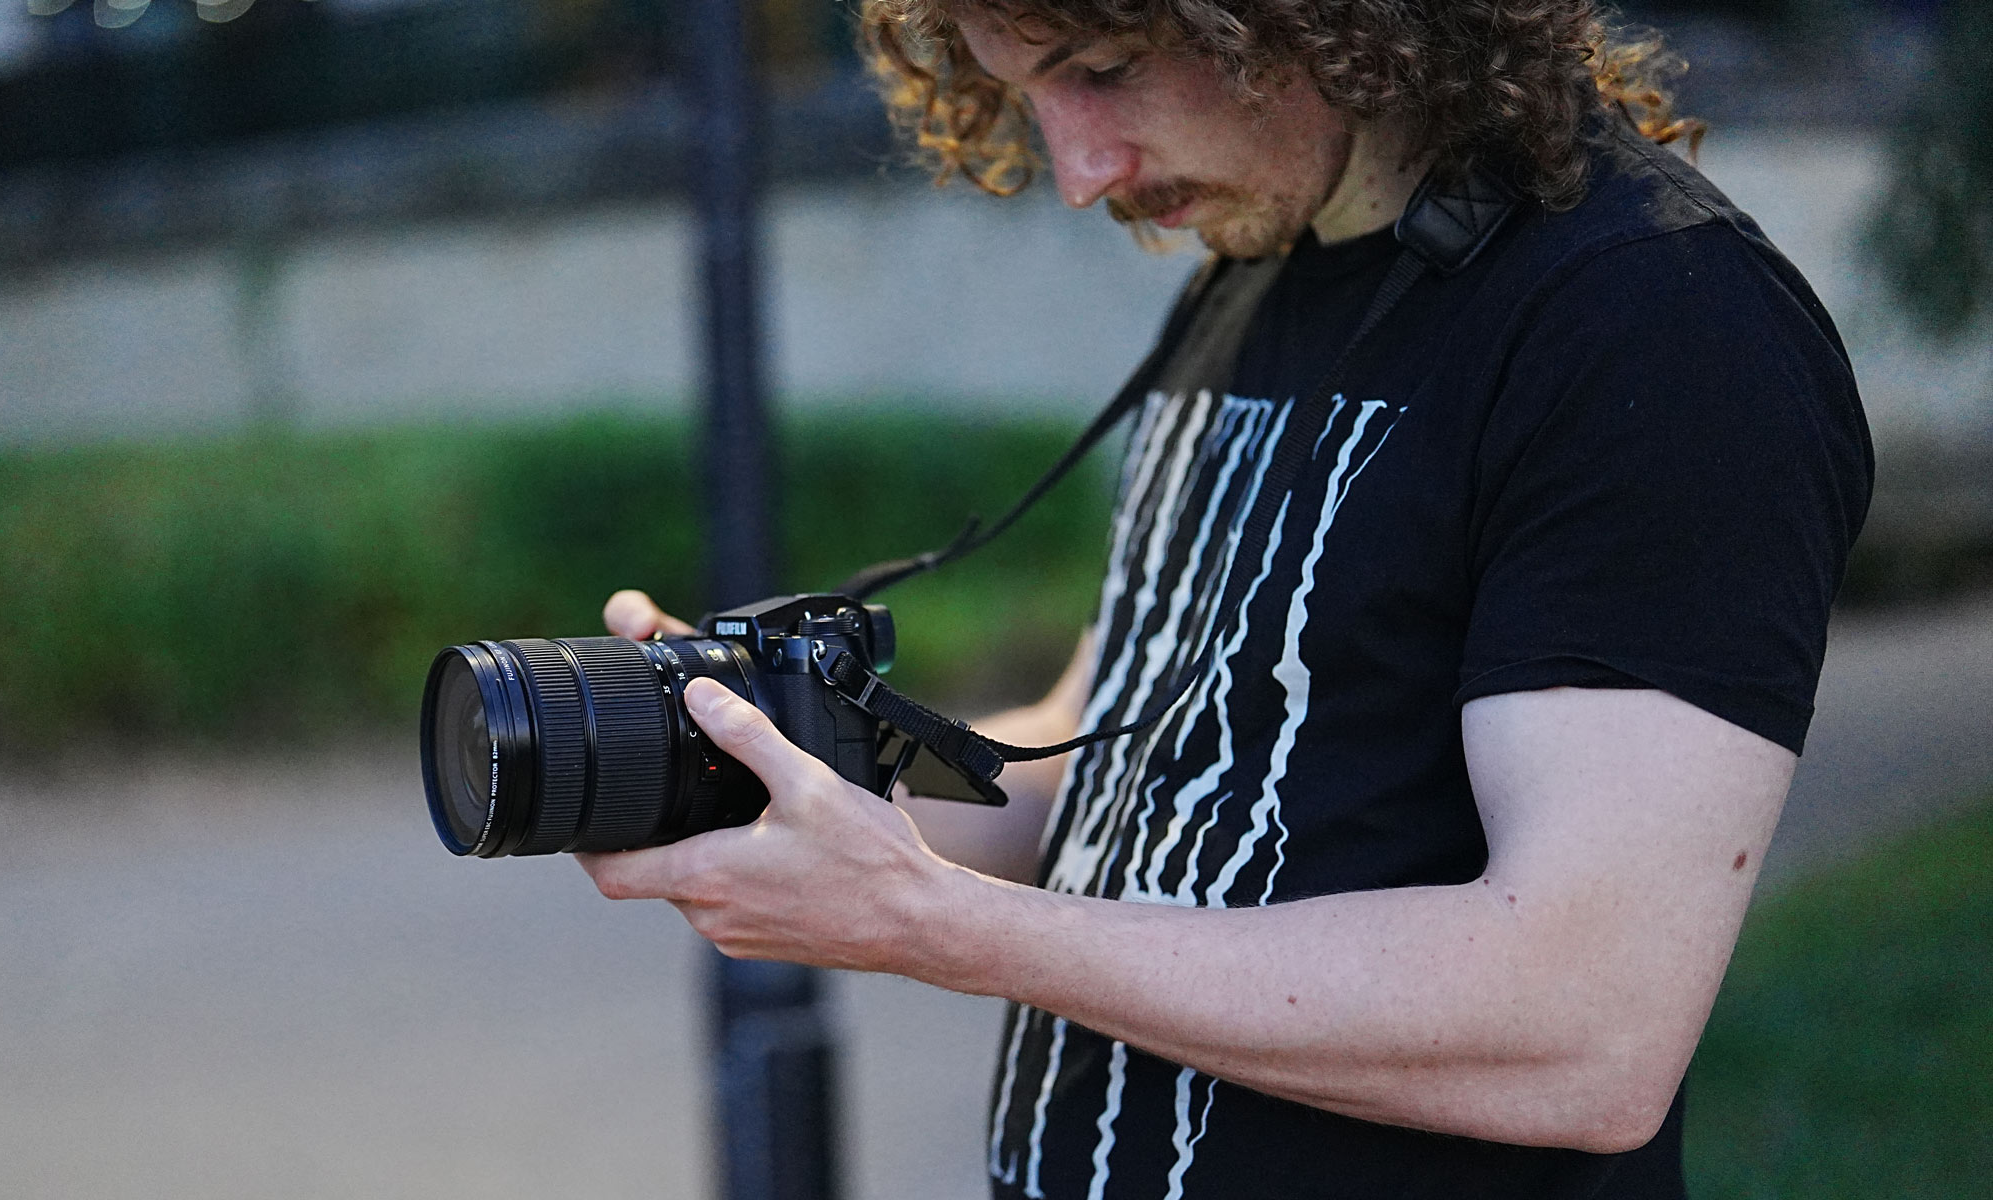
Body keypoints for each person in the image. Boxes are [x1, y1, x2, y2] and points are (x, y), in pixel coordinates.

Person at [584, 1, 1873, 1196]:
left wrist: (945, 928)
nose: (1080, 172)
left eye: (1102, 69)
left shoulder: (1657, 325)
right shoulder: (1259, 257)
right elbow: (1106, 788)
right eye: (1021, 89)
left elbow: (1582, 1030)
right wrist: (772, 764)